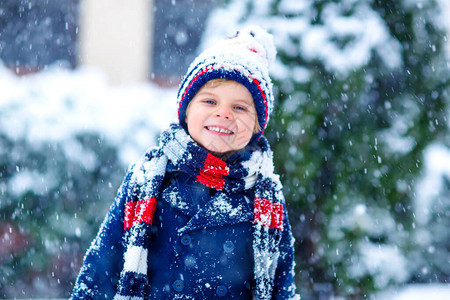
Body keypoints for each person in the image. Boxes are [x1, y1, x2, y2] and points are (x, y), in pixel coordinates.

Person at [72, 25, 299, 300]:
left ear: (256, 126)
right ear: (186, 111)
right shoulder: (149, 180)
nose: (223, 114)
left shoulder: (265, 198)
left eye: (239, 107)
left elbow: (281, 285)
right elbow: (101, 273)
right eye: (210, 101)